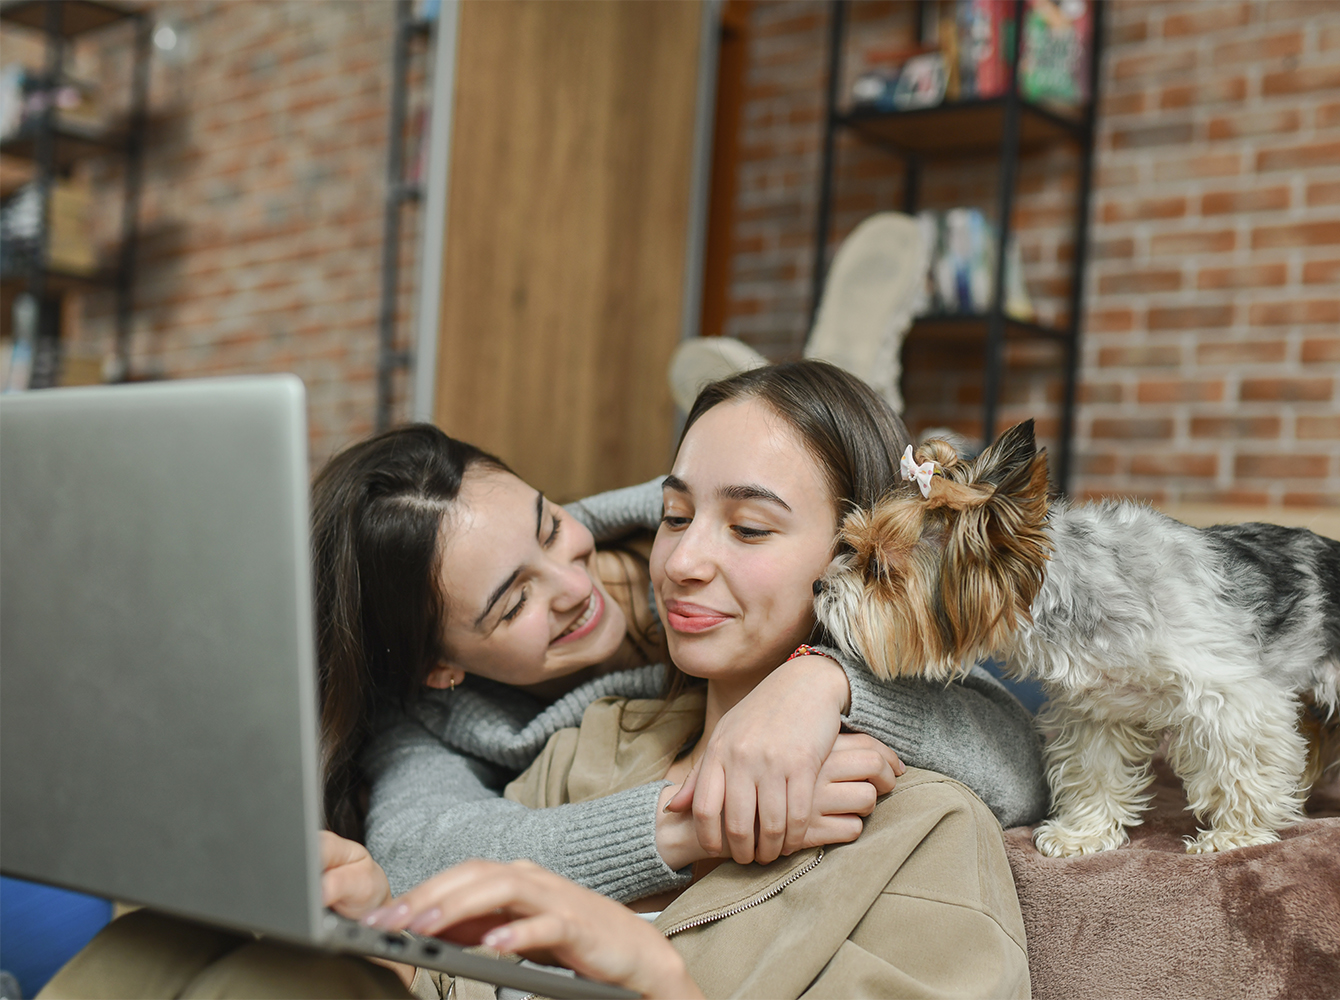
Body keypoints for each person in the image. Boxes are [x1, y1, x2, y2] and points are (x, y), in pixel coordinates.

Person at [362, 360, 1031, 997]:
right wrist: (374, 953)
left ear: (862, 556)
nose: (681, 560)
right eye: (674, 517)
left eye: (747, 529)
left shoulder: (924, 828)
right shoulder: (580, 754)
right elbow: (433, 908)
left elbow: (1022, 753)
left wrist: (823, 678)